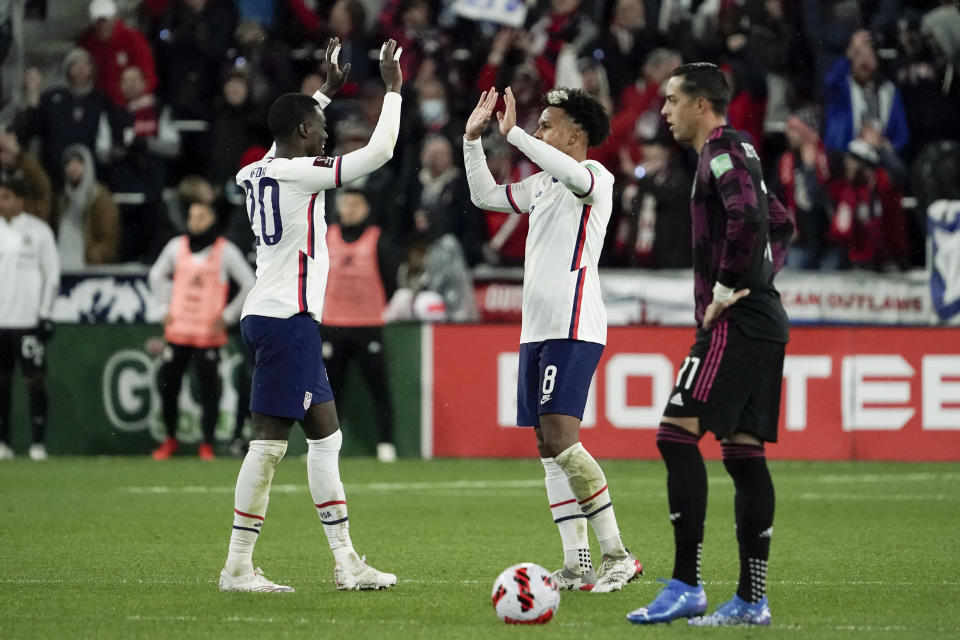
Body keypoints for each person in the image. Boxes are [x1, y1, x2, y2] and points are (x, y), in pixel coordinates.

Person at [218, 37, 402, 593]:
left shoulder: (253, 173)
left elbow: (285, 143)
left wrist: (322, 94)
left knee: (326, 438)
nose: (327, 136)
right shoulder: (299, 173)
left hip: (275, 314)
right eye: (320, 128)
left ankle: (347, 562)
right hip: (286, 319)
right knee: (269, 444)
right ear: (301, 135)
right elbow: (378, 155)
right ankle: (237, 567)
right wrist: (392, 92)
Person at [627, 63, 795, 626]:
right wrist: (763, 276)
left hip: (739, 319)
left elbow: (751, 215)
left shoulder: (721, 150)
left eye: (672, 101)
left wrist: (729, 286)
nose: (665, 112)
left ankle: (686, 585)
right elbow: (782, 222)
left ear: (702, 105)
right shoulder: (739, 152)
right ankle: (751, 599)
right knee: (744, 454)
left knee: (675, 435)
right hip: (762, 315)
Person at [463, 86, 642, 593]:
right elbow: (485, 197)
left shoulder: (594, 179)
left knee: (563, 440)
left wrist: (515, 135)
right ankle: (576, 562)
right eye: (537, 126)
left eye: (547, 124)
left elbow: (568, 172)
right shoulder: (542, 185)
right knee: (547, 446)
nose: (539, 132)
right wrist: (472, 142)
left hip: (573, 326)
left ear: (575, 133)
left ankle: (617, 555)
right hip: (536, 330)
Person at [148, 200, 255, 461]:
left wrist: (228, 316)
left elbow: (249, 282)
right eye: (192, 216)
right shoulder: (176, 247)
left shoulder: (225, 251)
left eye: (201, 216)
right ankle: (170, 439)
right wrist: (165, 308)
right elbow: (155, 275)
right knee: (168, 384)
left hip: (208, 333)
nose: (195, 221)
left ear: (212, 219)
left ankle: (206, 444)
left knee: (209, 390)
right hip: (179, 331)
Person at [322, 189, 398, 463]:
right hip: (332, 325)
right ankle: (324, 448)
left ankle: (386, 445)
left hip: (368, 325)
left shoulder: (378, 240)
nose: (350, 209)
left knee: (379, 388)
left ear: (367, 208)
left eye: (356, 203)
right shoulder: (326, 237)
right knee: (329, 392)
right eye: (346, 203)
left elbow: (391, 283)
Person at [0, 178, 59, 461]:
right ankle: (3, 443)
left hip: (27, 321)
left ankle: (38, 443)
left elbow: (53, 276)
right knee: (1, 383)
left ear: (20, 200)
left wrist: (45, 314)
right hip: (0, 321)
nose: (2, 202)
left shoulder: (39, 232)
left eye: (6, 197)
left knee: (34, 381)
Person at [53, 144, 120, 270]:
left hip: (88, 266)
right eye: (68, 163)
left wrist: (94, 256)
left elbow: (109, 238)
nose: (73, 167)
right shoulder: (62, 199)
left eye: (78, 162)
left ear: (88, 165)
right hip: (62, 262)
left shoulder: (100, 198)